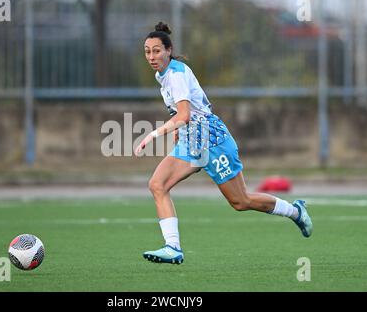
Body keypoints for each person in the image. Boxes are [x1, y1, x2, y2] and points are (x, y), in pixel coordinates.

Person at [134, 22, 313, 265]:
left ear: (168, 50)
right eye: (147, 51)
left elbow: (184, 114)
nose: (152, 56)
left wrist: (154, 134)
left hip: (212, 139)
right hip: (191, 139)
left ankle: (295, 211)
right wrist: (178, 130)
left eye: (156, 50)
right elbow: (182, 111)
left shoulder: (176, 74)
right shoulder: (162, 75)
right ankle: (173, 247)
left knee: (241, 201)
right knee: (157, 184)